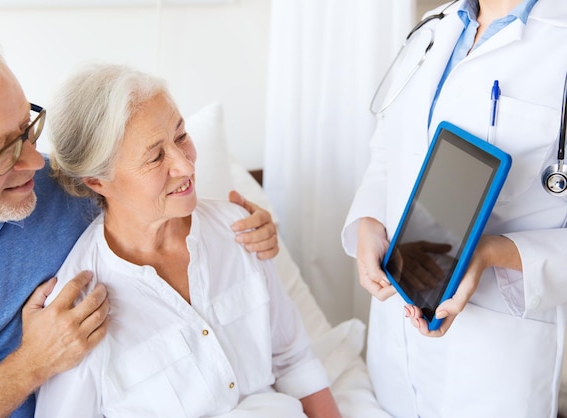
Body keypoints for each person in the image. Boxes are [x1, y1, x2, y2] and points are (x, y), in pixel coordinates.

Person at [0, 21, 279, 418]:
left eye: (27, 128)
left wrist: (244, 229)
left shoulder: (59, 188)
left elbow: (150, 196)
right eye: (3, 152)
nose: (36, 162)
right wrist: (31, 364)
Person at [33, 63, 341, 418]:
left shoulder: (240, 230)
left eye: (181, 136)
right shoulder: (78, 308)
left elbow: (294, 361)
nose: (185, 165)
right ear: (97, 181)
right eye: (155, 156)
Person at [341, 0, 567, 417]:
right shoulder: (434, 27)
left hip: (495, 358)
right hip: (397, 328)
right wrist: (370, 220)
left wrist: (493, 251)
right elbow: (388, 152)